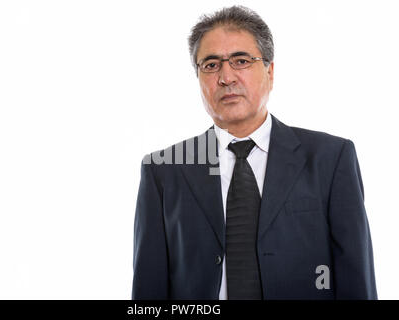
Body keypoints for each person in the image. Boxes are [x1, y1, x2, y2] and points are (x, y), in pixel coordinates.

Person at [132, 5, 377, 300]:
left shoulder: (331, 158)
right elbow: (149, 290)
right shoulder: (163, 170)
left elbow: (355, 277)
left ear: (270, 72)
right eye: (210, 65)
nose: (226, 77)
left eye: (241, 60)